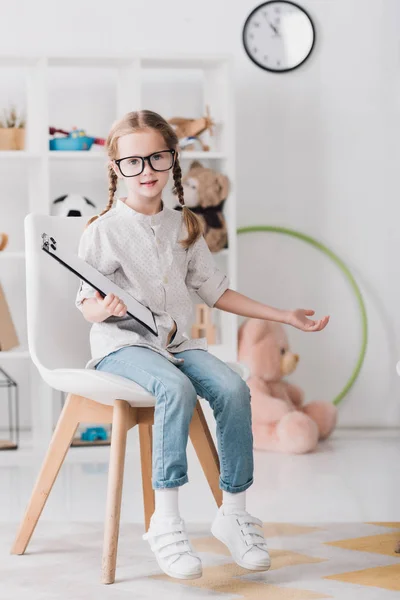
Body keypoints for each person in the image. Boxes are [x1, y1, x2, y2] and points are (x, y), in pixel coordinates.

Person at [75, 110, 330, 581]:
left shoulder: (187, 225)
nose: (146, 169)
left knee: (234, 386)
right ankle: (165, 522)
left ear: (174, 159)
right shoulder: (103, 230)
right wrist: (103, 309)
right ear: (115, 167)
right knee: (176, 389)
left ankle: (233, 512)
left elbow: (216, 291)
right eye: (133, 161)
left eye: (156, 157)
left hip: (175, 341)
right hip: (122, 344)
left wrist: (283, 314)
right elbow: (85, 303)